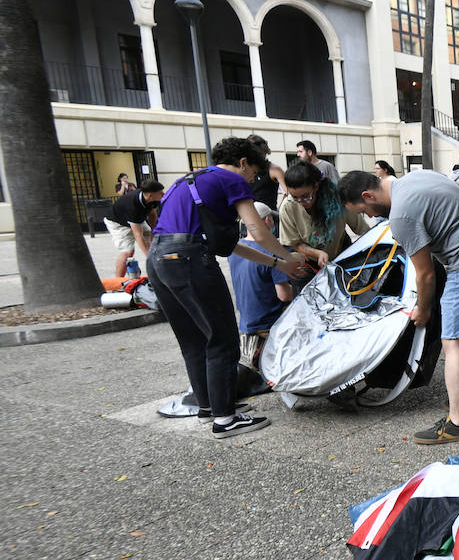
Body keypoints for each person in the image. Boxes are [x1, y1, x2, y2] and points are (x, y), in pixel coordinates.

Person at [147, 137, 311, 438]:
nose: (253, 179)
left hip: (158, 259)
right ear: (243, 163)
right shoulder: (231, 180)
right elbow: (258, 231)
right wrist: (287, 257)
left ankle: (209, 407)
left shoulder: (186, 181)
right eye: (253, 172)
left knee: (194, 339)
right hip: (190, 260)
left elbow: (233, 244)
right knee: (222, 339)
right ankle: (225, 419)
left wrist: (276, 264)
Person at [340, 168, 459, 444]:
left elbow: (426, 273)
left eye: (362, 210)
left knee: (453, 342)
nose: (368, 216)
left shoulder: (401, 215)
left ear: (368, 195)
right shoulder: (419, 176)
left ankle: (457, 423)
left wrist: (424, 309)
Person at [228, 201, 293, 369]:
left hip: (247, 320)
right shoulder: (273, 253)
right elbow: (284, 295)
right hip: (267, 322)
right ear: (266, 221)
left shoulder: (236, 248)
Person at [278, 161, 370, 268]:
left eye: (306, 196)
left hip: (341, 254)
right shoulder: (288, 206)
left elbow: (363, 230)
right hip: (308, 262)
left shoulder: (338, 198)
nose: (301, 202)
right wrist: (317, 253)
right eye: (295, 197)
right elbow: (295, 243)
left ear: (316, 187)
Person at [104, 179, 164, 277]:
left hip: (137, 220)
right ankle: (118, 282)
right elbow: (138, 235)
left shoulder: (153, 199)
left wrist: (153, 232)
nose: (163, 194)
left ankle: (156, 271)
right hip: (117, 223)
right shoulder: (132, 205)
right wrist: (148, 257)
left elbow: (153, 214)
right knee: (128, 252)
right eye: (160, 193)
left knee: (152, 241)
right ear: (150, 195)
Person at [245, 134, 287, 210]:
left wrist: (279, 212)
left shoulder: (275, 170)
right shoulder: (245, 169)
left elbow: (288, 194)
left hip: (269, 217)